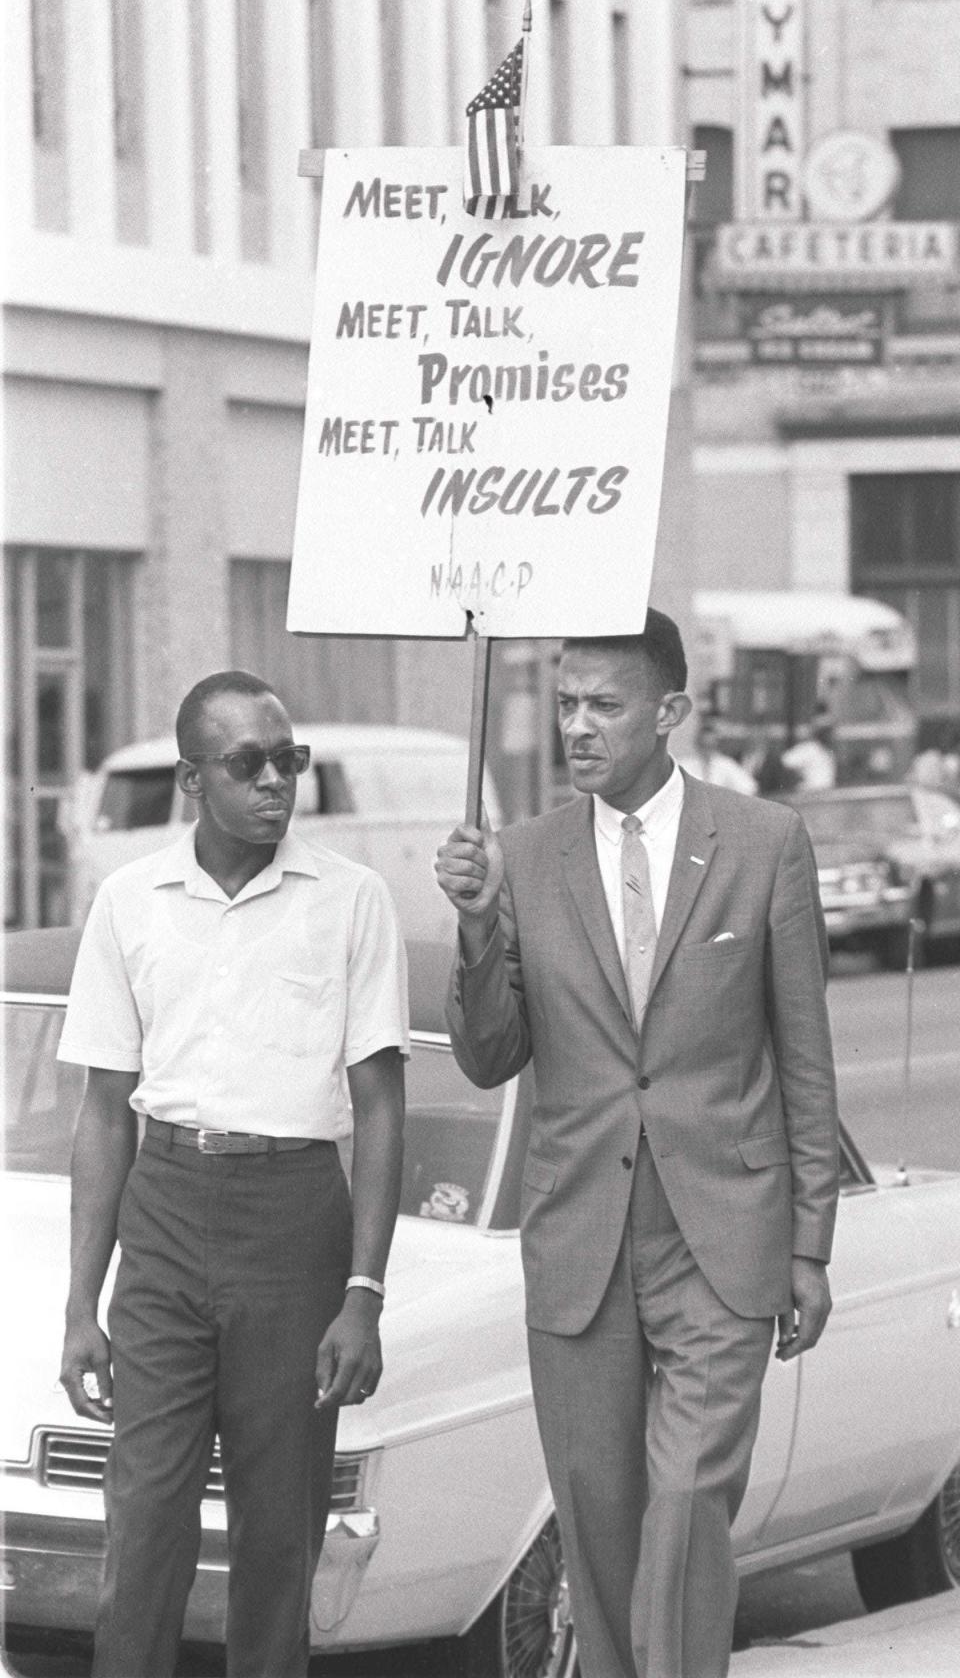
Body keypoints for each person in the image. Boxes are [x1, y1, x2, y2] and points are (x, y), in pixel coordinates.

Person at [435, 610, 839, 1678]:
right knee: (598, 1511)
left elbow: (804, 1058)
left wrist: (810, 1245)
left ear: (670, 714)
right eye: (566, 703)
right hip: (580, 1233)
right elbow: (487, 1056)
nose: (577, 726)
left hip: (724, 1228)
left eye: (604, 705)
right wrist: (478, 926)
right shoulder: (519, 858)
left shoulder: (763, 843)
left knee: (688, 1495)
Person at [57, 671, 408, 1678]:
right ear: (190, 780)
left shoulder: (350, 899)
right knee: (147, 1516)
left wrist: (364, 1294)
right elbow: (101, 1112)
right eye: (248, 763)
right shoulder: (129, 902)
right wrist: (84, 1303)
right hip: (163, 1213)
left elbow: (380, 1104)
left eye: (288, 761)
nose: (275, 782)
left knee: (277, 1528)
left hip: (294, 1220)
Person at [677, 714, 757, 795]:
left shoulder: (726, 765)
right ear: (697, 745)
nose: (707, 750)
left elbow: (750, 788)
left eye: (711, 745)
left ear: (716, 746)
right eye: (704, 745)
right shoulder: (685, 765)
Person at [781, 714, 837, 791]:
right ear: (819, 732)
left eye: (829, 731)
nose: (829, 735)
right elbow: (785, 761)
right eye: (825, 731)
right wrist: (796, 777)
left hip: (827, 794)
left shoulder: (829, 751)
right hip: (809, 794)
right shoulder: (808, 748)